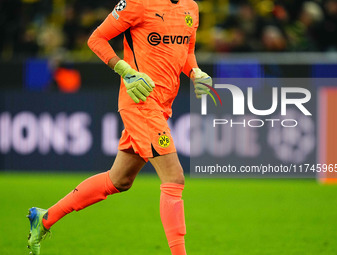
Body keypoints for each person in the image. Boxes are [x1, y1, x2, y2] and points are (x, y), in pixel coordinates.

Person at [27, 0, 212, 254]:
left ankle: (45, 218)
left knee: (119, 180)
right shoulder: (138, 3)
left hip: (163, 104)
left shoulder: (190, 6)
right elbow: (97, 38)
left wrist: (196, 72)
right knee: (174, 177)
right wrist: (124, 70)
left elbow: (186, 50)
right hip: (140, 100)